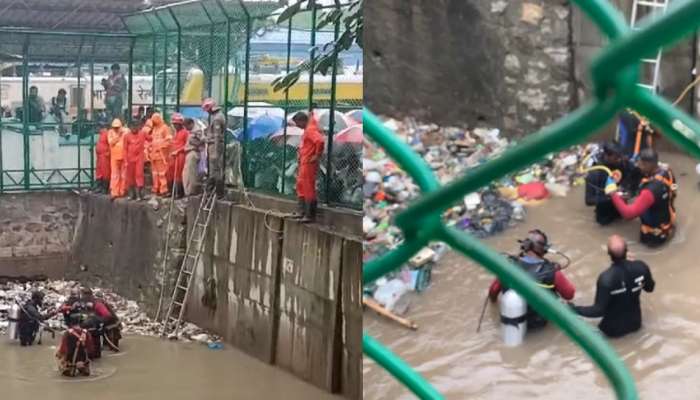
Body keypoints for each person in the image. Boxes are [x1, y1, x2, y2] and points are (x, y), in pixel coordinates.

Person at [488, 229, 576, 330]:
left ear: (525, 246)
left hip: (511, 323)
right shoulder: (552, 272)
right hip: (537, 325)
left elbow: (493, 291)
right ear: (544, 249)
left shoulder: (507, 267)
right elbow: (569, 295)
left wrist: (493, 308)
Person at [570, 235, 655, 338]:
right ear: (627, 250)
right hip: (635, 324)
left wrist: (574, 309)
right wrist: (637, 277)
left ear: (608, 253)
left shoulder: (606, 278)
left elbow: (598, 310)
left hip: (611, 330)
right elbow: (650, 288)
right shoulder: (641, 267)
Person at [609, 148, 677, 247]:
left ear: (648, 164)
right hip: (667, 225)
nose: (638, 166)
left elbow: (628, 214)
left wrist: (613, 194)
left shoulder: (649, 191)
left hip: (653, 238)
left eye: (640, 164)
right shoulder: (668, 172)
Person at [585, 142, 642, 225]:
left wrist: (630, 191)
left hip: (621, 210)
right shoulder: (595, 172)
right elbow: (589, 200)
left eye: (620, 157)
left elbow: (637, 174)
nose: (619, 160)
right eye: (616, 158)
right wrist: (613, 197)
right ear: (607, 156)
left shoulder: (623, 163)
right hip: (604, 215)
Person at [293, 111, 325, 223]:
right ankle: (302, 212)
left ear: (302, 121)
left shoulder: (310, 130)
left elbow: (320, 141)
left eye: (297, 123)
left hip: (308, 163)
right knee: (301, 185)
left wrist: (316, 155)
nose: (297, 126)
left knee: (307, 187)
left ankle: (309, 214)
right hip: (304, 162)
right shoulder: (308, 129)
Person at [202, 98, 226, 196]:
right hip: (213, 144)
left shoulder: (217, 119)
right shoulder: (218, 116)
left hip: (215, 145)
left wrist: (216, 151)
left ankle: (217, 192)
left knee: (215, 169)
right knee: (214, 168)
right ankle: (213, 190)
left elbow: (217, 136)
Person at [149, 113, 172, 196]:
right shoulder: (154, 129)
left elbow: (169, 141)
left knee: (162, 173)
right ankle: (156, 188)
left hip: (161, 155)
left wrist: (160, 146)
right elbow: (152, 140)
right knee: (155, 173)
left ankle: (164, 189)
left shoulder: (165, 128)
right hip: (153, 155)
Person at [125, 120, 148, 200]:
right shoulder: (127, 136)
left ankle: (139, 195)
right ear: (130, 127)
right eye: (132, 126)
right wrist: (125, 160)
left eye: (135, 126)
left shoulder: (142, 134)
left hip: (139, 159)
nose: (134, 128)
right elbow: (125, 148)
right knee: (130, 177)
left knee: (139, 175)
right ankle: (132, 194)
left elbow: (151, 139)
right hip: (129, 159)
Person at [108, 118, 128, 200]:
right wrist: (118, 136)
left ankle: (122, 191)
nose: (116, 129)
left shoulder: (126, 131)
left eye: (118, 127)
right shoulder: (110, 133)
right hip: (114, 157)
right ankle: (115, 192)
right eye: (115, 127)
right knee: (115, 175)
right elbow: (111, 142)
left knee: (123, 174)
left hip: (123, 156)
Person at [170, 113, 189, 199]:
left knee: (178, 174)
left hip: (180, 156)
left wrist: (178, 151)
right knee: (171, 173)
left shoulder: (185, 132)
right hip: (173, 156)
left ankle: (179, 193)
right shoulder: (175, 132)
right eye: (174, 124)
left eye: (176, 124)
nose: (175, 126)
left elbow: (186, 145)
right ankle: (172, 191)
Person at [183, 118, 204, 196]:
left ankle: (191, 191)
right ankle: (188, 191)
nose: (186, 128)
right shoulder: (191, 131)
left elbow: (201, 142)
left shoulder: (197, 130)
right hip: (189, 153)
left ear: (191, 123)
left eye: (186, 126)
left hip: (193, 152)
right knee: (186, 174)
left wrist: (193, 142)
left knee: (191, 174)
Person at [94, 123, 111, 194]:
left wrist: (108, 153)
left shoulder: (107, 133)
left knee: (105, 172)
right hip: (100, 156)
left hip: (104, 156)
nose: (96, 129)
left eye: (97, 127)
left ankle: (105, 188)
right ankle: (99, 187)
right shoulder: (101, 134)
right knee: (99, 171)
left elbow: (110, 144)